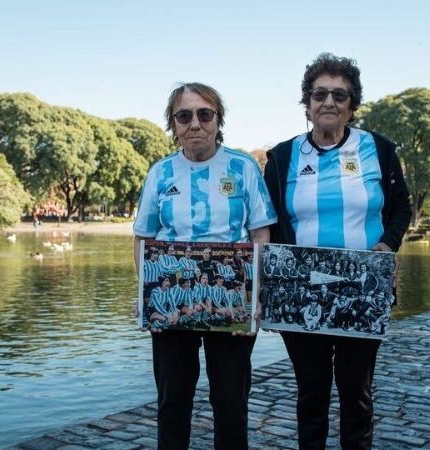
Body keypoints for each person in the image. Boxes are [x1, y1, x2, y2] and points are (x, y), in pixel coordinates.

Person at [263, 53, 411, 450]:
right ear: (307, 103)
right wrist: (272, 289)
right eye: (319, 94)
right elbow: (270, 222)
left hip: (363, 289)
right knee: (311, 392)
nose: (328, 102)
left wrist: (388, 244)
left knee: (355, 392)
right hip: (303, 291)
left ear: (352, 104)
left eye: (339, 95)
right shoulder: (281, 157)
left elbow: (402, 208)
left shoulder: (378, 150)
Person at [133, 82, 277, 450]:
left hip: (230, 302)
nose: (194, 123)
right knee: (171, 403)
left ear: (217, 120)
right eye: (184, 116)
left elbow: (261, 234)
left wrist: (253, 297)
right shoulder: (160, 173)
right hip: (170, 302)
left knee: (230, 403)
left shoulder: (243, 167)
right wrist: (145, 295)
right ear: (174, 124)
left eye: (204, 114)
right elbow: (143, 238)